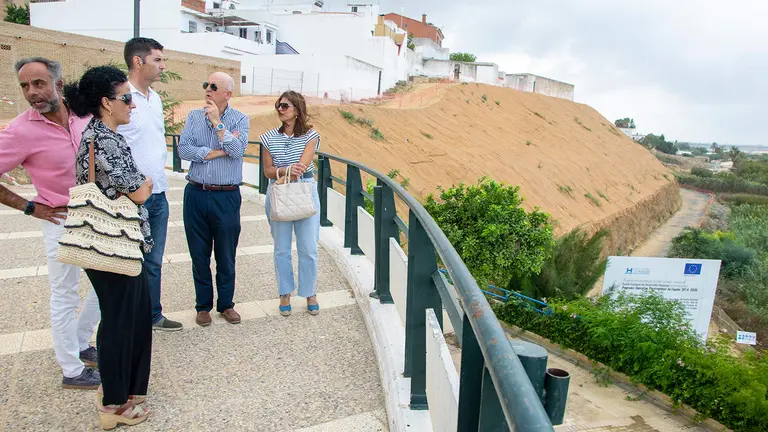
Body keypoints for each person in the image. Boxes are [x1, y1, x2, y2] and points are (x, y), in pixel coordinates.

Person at [0, 57, 101, 390]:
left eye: (38, 83)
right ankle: (72, 369)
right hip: (60, 220)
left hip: (98, 215)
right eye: (25, 86)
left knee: (110, 284)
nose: (32, 92)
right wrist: (28, 206)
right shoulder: (19, 130)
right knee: (64, 295)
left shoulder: (83, 114)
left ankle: (82, 341)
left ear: (58, 84)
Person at [64, 66, 153, 429]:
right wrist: (145, 182)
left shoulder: (95, 136)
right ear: (106, 102)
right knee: (119, 323)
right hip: (113, 246)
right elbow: (138, 191)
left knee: (125, 319)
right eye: (126, 98)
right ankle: (114, 402)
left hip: (114, 244)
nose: (132, 105)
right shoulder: (106, 140)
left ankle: (124, 394)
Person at [118, 37, 182, 331]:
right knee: (127, 263)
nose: (162, 66)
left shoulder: (154, 99)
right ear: (137, 61)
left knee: (154, 262)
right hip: (128, 198)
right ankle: (129, 319)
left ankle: (152, 315)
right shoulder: (119, 97)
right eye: (157, 60)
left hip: (159, 195)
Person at [177, 72, 249, 327]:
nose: (207, 89)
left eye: (213, 86)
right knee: (199, 254)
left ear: (227, 93)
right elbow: (183, 149)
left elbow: (238, 151)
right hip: (196, 193)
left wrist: (219, 124)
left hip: (226, 196)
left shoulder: (240, 119)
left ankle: (226, 304)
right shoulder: (194, 117)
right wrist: (212, 153)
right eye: (205, 84)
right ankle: (203, 306)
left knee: (226, 254)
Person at [259, 91, 321, 317]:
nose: (280, 109)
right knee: (281, 248)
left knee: (309, 247)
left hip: (304, 190)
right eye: (278, 105)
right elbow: (267, 170)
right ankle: (284, 292)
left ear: (297, 109)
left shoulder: (311, 136)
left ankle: (310, 292)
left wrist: (285, 172)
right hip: (278, 193)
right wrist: (284, 171)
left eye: (284, 106)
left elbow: (303, 165)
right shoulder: (267, 138)